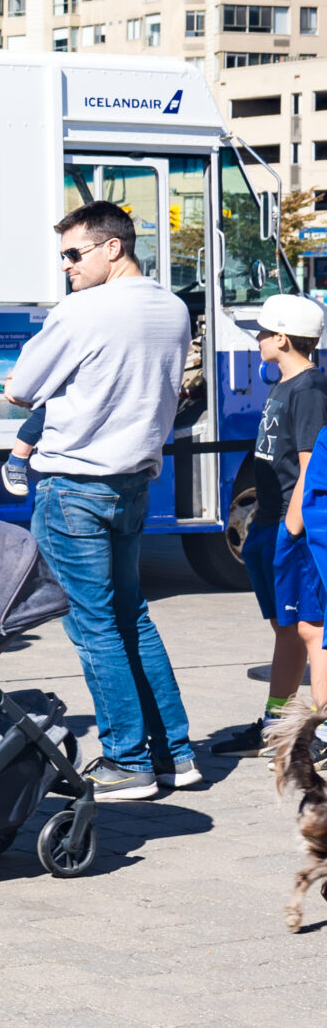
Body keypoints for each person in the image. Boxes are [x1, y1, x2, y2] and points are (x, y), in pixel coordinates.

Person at [3, 200, 198, 800]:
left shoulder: (80, 311)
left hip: (75, 486)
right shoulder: (172, 307)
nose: (66, 266)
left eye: (73, 253)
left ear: (113, 246)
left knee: (94, 626)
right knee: (131, 615)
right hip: (135, 480)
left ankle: (126, 760)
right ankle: (176, 754)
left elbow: (18, 389)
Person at [213, 294, 327, 757]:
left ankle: (321, 728)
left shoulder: (310, 391)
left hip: (290, 527)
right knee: (286, 626)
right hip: (270, 522)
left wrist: (292, 529)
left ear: (282, 338)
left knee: (311, 628)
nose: (257, 339)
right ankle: (277, 724)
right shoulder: (284, 385)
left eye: (261, 332)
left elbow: (309, 466)